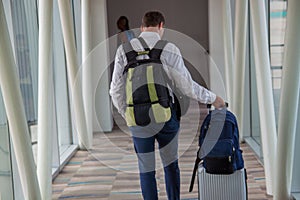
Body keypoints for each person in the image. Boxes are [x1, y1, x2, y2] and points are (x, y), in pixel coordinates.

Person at [110, 11, 225, 200]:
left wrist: (128, 113)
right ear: (161, 26)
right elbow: (186, 86)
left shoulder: (124, 50)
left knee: (146, 170)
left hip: (137, 119)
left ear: (142, 27)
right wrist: (213, 98)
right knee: (170, 165)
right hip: (165, 118)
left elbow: (115, 90)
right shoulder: (168, 48)